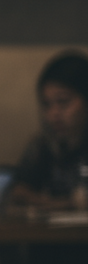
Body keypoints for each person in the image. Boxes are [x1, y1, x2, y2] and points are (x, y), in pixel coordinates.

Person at [14, 51, 88, 203]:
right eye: (46, 104)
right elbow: (19, 192)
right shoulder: (42, 145)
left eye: (63, 102)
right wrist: (66, 204)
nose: (53, 113)